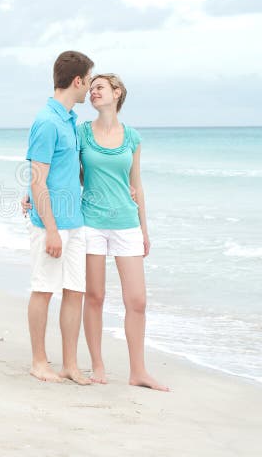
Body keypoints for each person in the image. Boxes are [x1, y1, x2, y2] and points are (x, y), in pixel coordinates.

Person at [23, 73, 168, 391]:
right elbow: (57, 168)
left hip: (127, 224)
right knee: (94, 297)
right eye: (91, 88)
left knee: (138, 300)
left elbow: (137, 185)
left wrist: (144, 229)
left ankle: (138, 370)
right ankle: (98, 365)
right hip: (89, 221)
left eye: (100, 87)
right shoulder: (81, 133)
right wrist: (31, 193)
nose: (93, 92)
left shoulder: (132, 137)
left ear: (117, 93)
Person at [26, 51, 93, 385]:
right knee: (43, 290)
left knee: (74, 292)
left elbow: (62, 173)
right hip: (50, 226)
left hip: (75, 222)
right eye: (89, 80)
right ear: (77, 80)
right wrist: (51, 229)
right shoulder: (47, 121)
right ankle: (39, 362)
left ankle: (70, 364)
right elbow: (38, 178)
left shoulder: (70, 121)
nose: (90, 89)